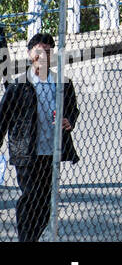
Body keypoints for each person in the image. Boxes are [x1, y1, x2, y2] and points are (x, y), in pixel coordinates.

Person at [0, 34, 79, 241]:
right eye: (38, 51)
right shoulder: (19, 85)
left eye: (47, 51)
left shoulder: (63, 84)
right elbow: (3, 117)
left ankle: (31, 237)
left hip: (50, 152)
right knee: (31, 195)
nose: (42, 56)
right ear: (29, 54)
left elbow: (73, 109)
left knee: (45, 203)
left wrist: (69, 120)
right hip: (25, 151)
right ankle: (25, 239)